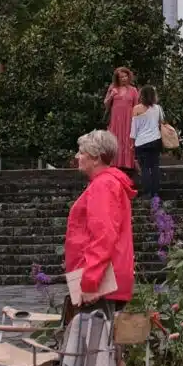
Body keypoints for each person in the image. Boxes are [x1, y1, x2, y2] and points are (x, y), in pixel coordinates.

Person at [63, 130, 135, 313]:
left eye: (82, 152)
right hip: (105, 279)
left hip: (102, 284)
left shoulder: (103, 185)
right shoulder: (107, 183)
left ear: (95, 158)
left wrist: (90, 281)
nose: (77, 156)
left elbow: (103, 235)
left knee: (93, 340)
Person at [130, 86, 165, 205]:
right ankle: (156, 193)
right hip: (155, 140)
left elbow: (134, 129)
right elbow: (161, 123)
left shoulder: (137, 109)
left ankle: (147, 193)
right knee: (155, 167)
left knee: (145, 168)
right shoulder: (158, 108)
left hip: (141, 142)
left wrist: (132, 143)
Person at [102, 67, 139, 170]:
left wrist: (135, 122)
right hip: (115, 119)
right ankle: (115, 163)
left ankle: (127, 164)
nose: (124, 79)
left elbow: (136, 107)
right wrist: (111, 95)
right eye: (121, 77)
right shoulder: (113, 87)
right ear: (117, 78)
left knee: (127, 139)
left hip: (128, 119)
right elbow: (106, 103)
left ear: (129, 76)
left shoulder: (133, 90)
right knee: (115, 139)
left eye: (125, 76)